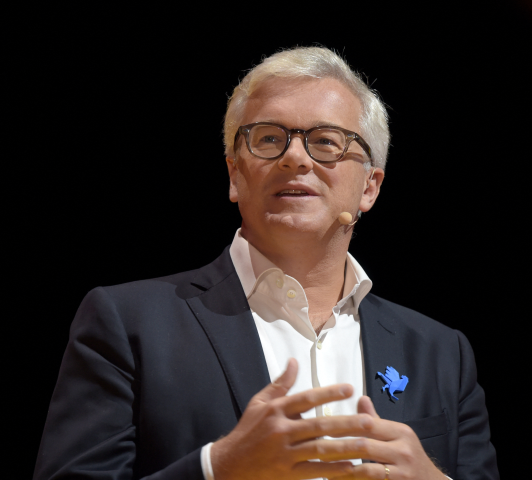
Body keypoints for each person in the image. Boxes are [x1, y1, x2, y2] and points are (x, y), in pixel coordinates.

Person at [34, 47, 499, 480]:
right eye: (269, 138)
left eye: (326, 141)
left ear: (369, 187)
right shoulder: (129, 323)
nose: (294, 157)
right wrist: (218, 468)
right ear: (235, 174)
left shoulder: (442, 352)